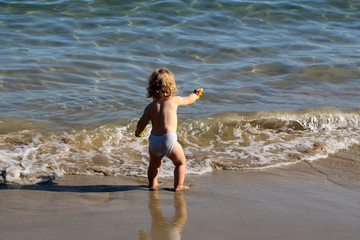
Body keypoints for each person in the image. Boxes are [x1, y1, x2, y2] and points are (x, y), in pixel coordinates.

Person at [135, 68, 202, 192]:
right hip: (169, 139)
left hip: (154, 141)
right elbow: (189, 100)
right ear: (171, 86)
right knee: (180, 162)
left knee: (154, 165)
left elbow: (141, 124)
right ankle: (178, 186)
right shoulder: (174, 100)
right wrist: (195, 94)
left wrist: (138, 133)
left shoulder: (150, 107)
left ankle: (153, 184)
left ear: (151, 88)